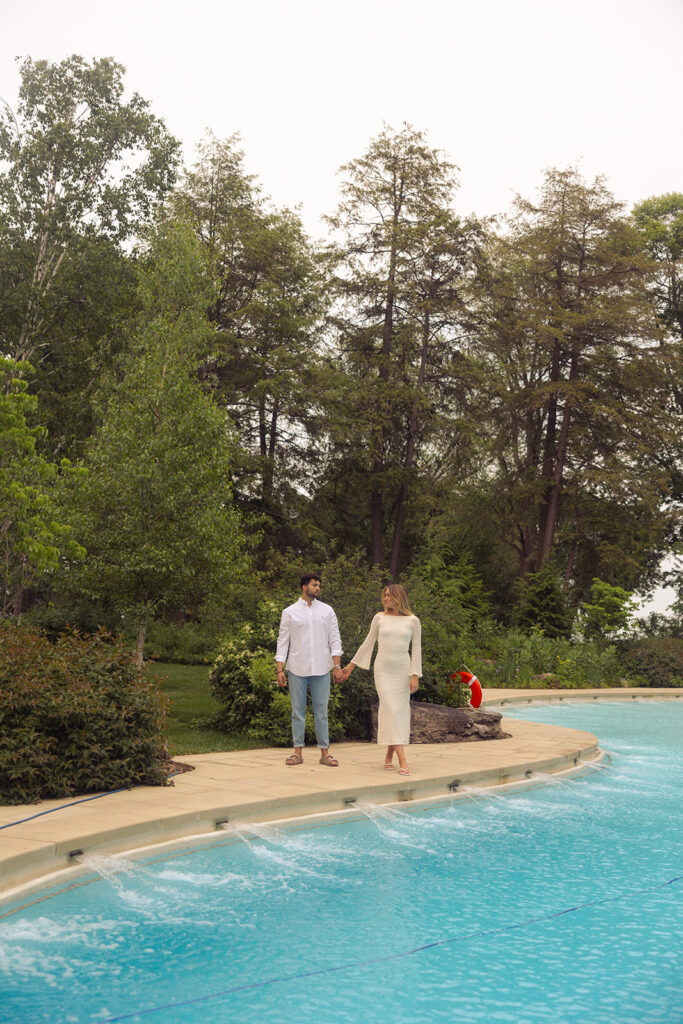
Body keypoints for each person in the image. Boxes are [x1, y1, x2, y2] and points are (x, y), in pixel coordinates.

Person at [340, 584, 421, 775]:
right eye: (384, 595)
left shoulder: (413, 621)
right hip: (383, 671)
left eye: (389, 596)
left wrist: (415, 675)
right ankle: (403, 760)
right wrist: (350, 667)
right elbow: (368, 643)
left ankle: (388, 755)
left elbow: (417, 649)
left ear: (399, 598)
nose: (385, 599)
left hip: (402, 671)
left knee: (398, 713)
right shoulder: (379, 618)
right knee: (392, 710)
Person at [275, 572, 343, 767]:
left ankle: (325, 753)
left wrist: (337, 666)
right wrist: (280, 669)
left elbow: (335, 640)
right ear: (304, 587)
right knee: (297, 711)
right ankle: (297, 753)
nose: (318, 588)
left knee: (321, 711)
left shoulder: (327, 611)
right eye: (314, 585)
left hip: (322, 667)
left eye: (319, 585)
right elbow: (283, 641)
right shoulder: (289, 612)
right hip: (297, 667)